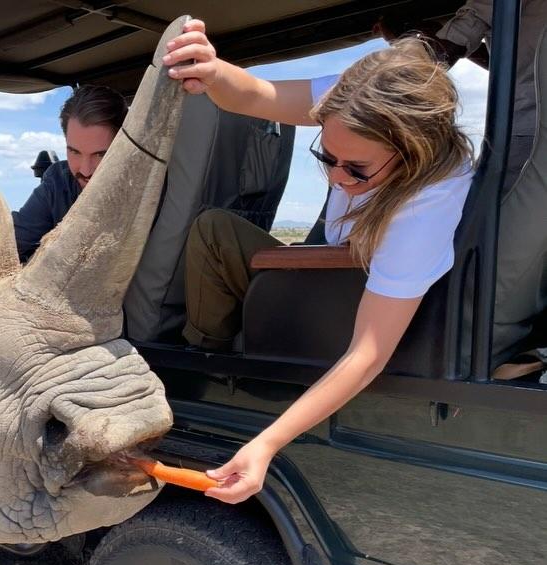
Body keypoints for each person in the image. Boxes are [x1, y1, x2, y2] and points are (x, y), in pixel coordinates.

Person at [163, 20, 474, 504]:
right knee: (215, 230)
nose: (336, 178)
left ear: (414, 152)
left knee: (218, 237)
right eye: (327, 157)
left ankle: (211, 380)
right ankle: (208, 357)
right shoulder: (356, 97)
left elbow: (367, 353)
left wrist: (266, 444)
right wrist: (212, 70)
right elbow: (258, 95)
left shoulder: (425, 207)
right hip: (326, 273)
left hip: (343, 304)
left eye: (357, 169)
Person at [376, 1, 547, 190]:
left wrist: (404, 38)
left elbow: (444, 52)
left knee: (491, 201)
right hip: (530, 128)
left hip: (528, 132)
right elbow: (511, 66)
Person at [12, 84, 127, 261]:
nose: (85, 170)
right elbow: (12, 245)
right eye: (75, 152)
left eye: (100, 154)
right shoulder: (58, 181)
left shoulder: (153, 187)